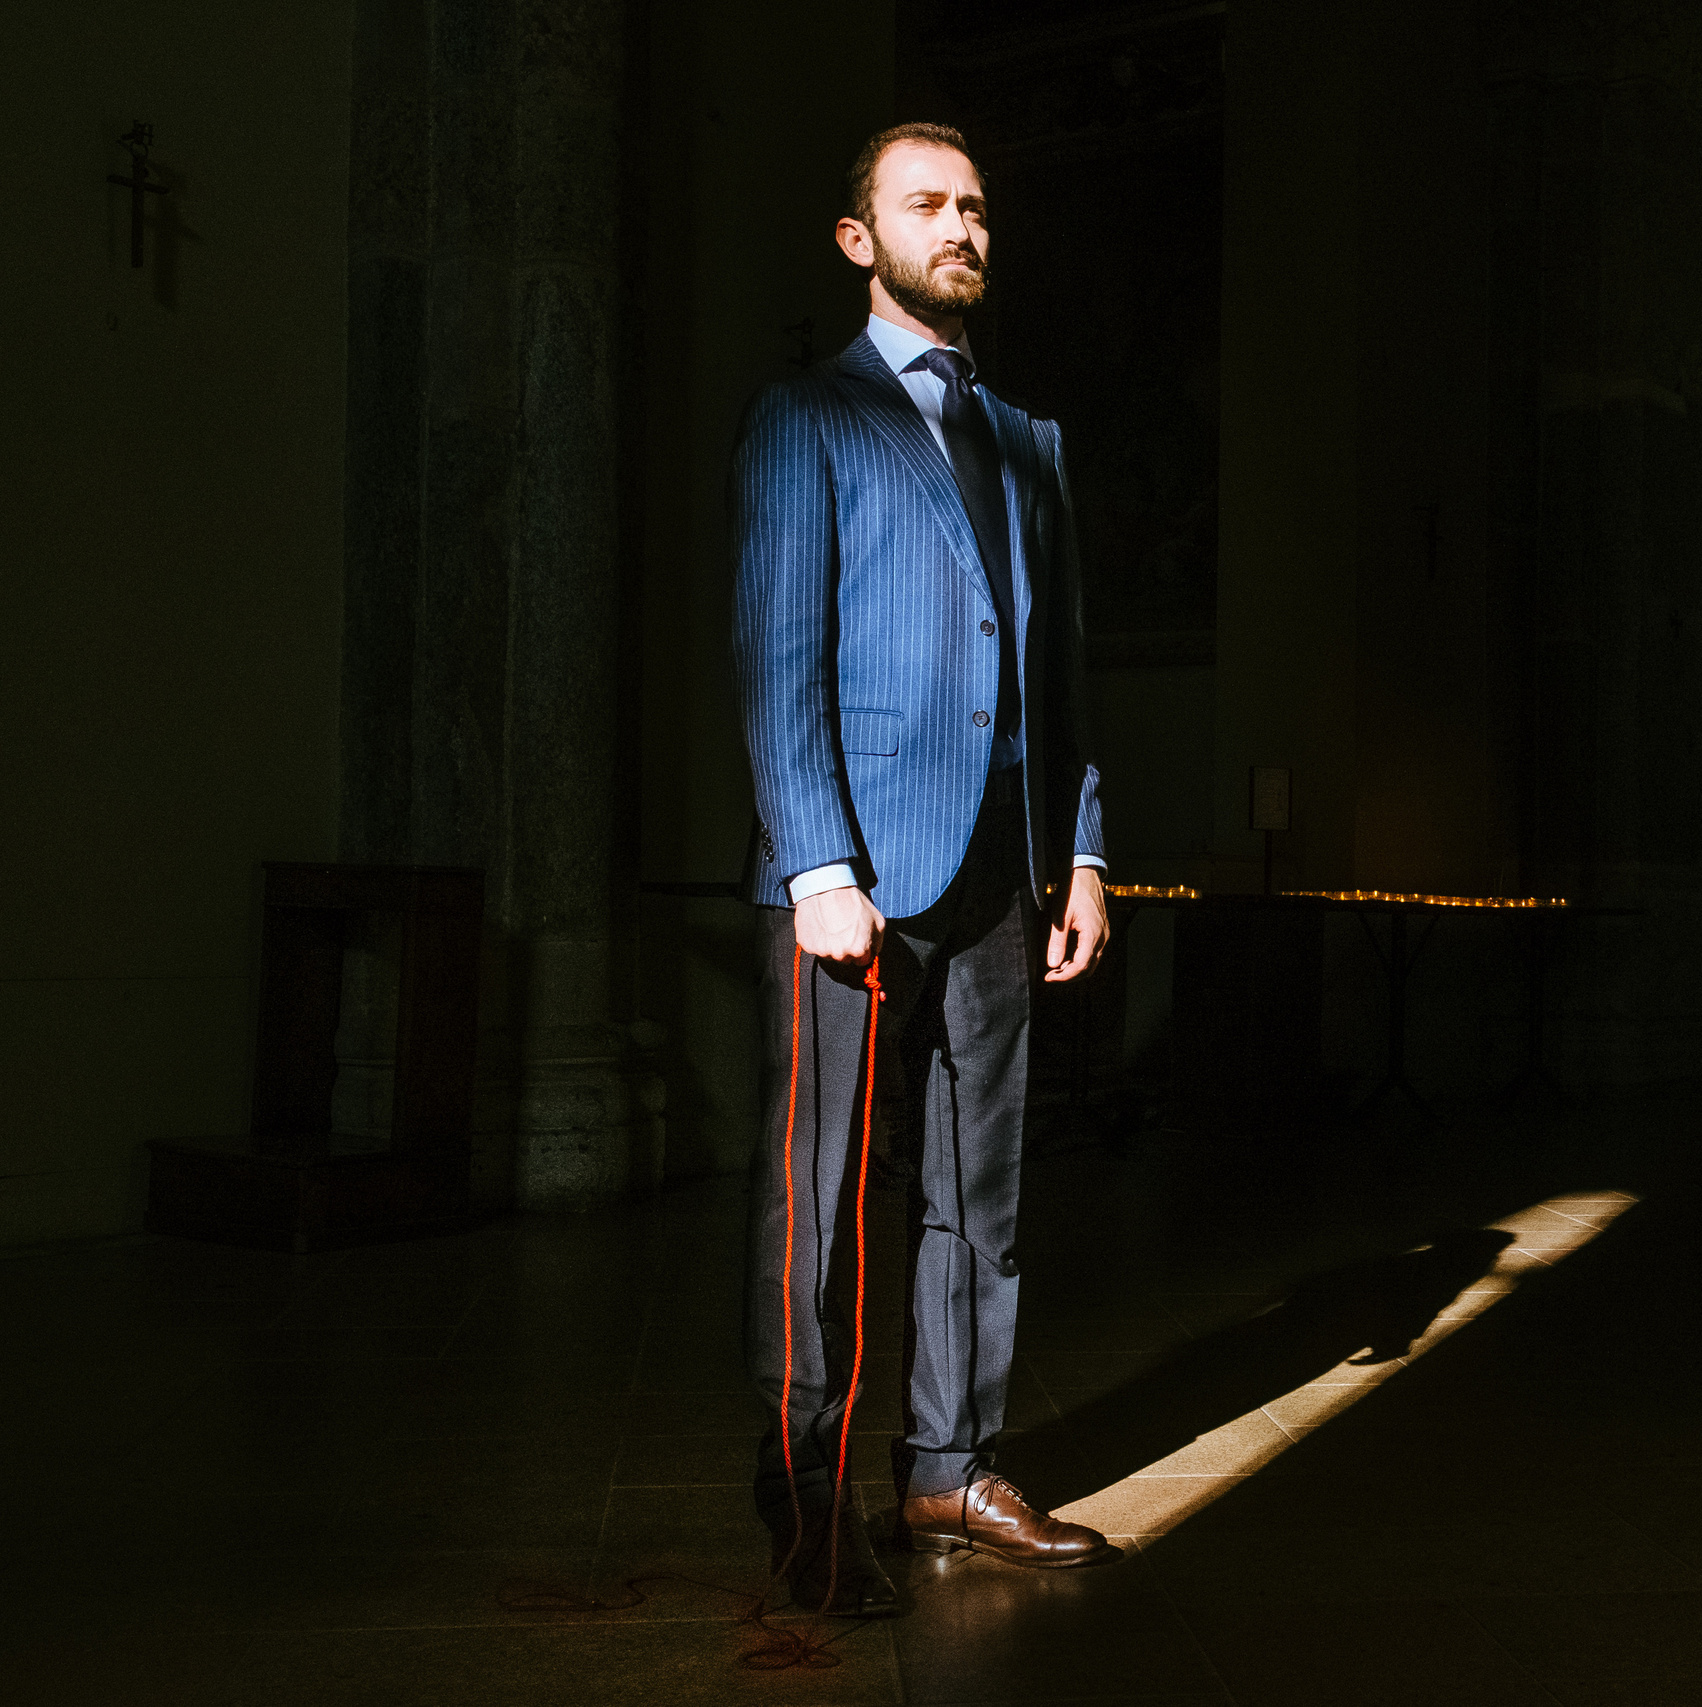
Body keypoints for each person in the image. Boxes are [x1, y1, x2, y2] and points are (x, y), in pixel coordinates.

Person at [731, 121, 1115, 1615]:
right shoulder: (801, 419)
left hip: (1007, 876)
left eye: (972, 205)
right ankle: (807, 1502)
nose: (961, 225)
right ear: (856, 240)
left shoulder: (1033, 442)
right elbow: (776, 662)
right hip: (855, 886)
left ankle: (950, 1467)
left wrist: (1079, 851)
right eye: (925, 204)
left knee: (982, 1193)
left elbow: (1064, 676)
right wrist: (814, 858)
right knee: (818, 1207)